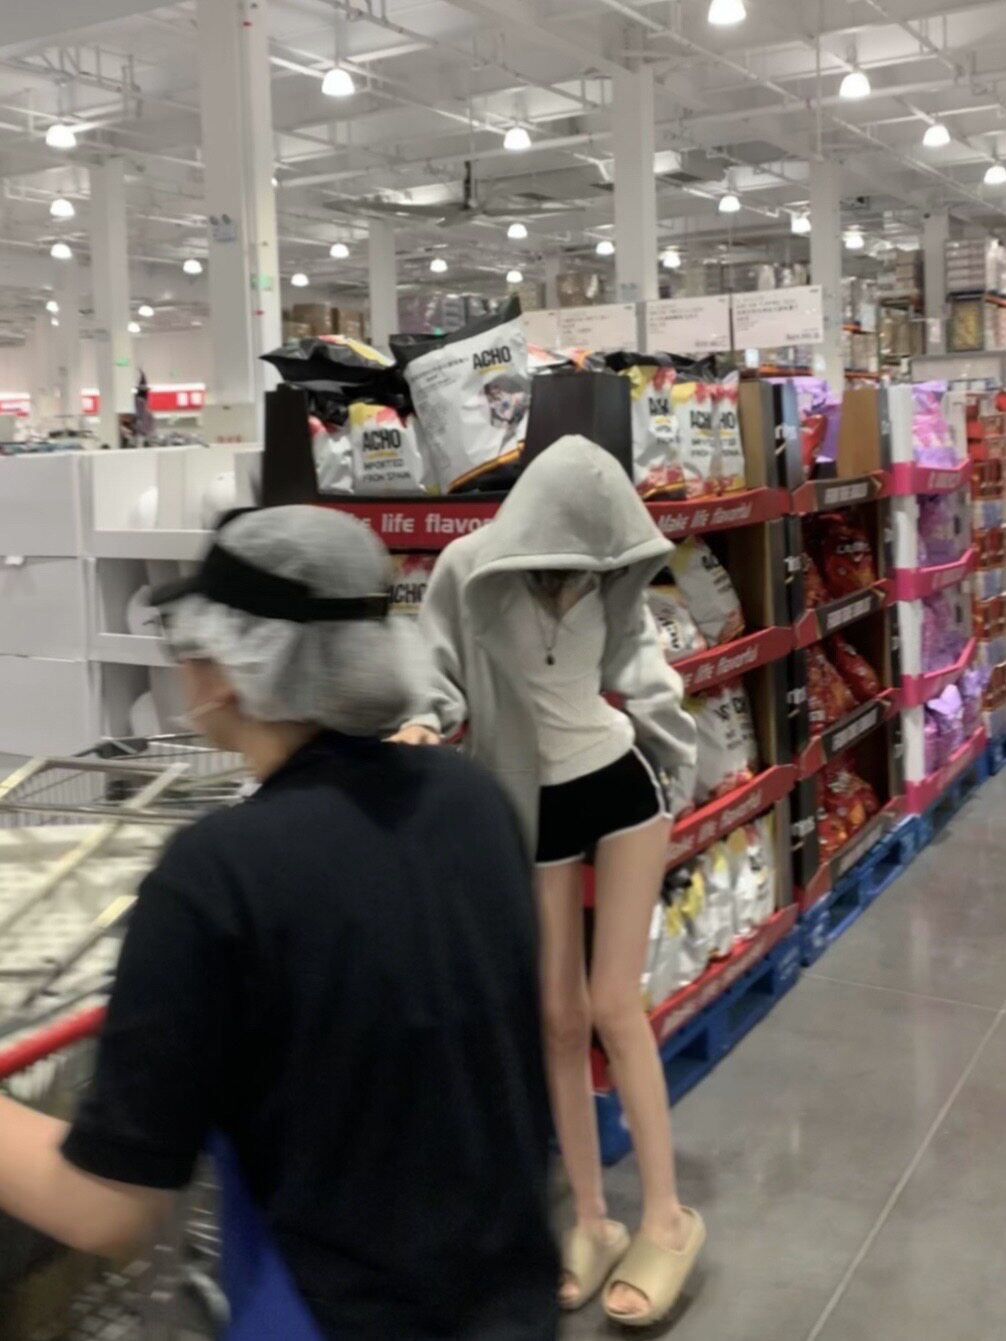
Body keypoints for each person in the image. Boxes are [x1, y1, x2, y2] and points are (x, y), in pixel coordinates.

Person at [0, 505, 558, 1341]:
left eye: (186, 642)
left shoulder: (220, 874)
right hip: (511, 1299)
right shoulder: (472, 800)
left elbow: (106, 1207)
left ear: (228, 672)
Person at [394, 435, 705, 1328]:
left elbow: (640, 667)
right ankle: (594, 1218)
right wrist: (423, 719)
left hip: (621, 786)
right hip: (528, 796)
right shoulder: (467, 566)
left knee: (612, 1004)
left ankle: (666, 1215)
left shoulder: (609, 572)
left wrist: (675, 757)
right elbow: (435, 660)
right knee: (556, 1017)